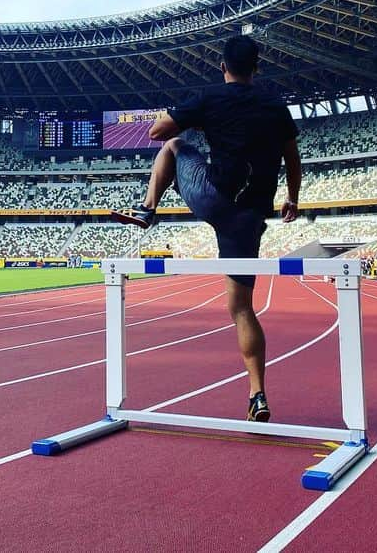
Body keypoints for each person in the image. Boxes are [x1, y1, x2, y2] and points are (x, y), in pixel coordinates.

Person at [110, 34, 301, 424]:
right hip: (249, 217)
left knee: (176, 145)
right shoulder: (275, 106)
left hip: (214, 196)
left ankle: (148, 209)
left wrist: (193, 115)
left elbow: (157, 132)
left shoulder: (210, 98)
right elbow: (293, 160)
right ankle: (257, 393)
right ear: (257, 68)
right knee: (242, 308)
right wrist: (292, 199)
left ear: (222, 66)